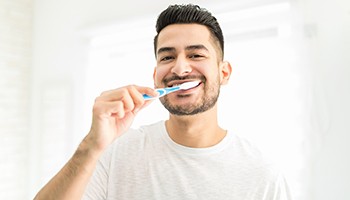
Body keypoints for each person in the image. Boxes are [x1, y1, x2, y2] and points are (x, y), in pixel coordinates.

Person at [34, 4, 292, 200]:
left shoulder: (262, 174)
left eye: (196, 54)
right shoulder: (117, 153)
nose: (180, 69)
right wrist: (92, 145)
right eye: (167, 57)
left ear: (224, 73)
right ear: (155, 75)